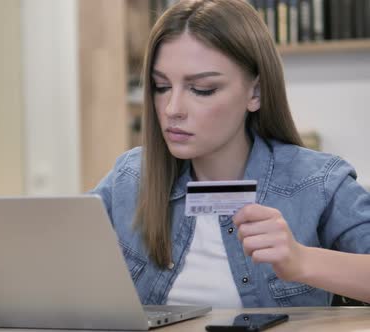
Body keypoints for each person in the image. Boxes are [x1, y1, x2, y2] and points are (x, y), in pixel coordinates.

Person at [91, 0, 370, 308]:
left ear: (256, 93)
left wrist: (302, 259)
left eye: (203, 89)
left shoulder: (318, 181)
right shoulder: (130, 177)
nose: (172, 110)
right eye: (161, 87)